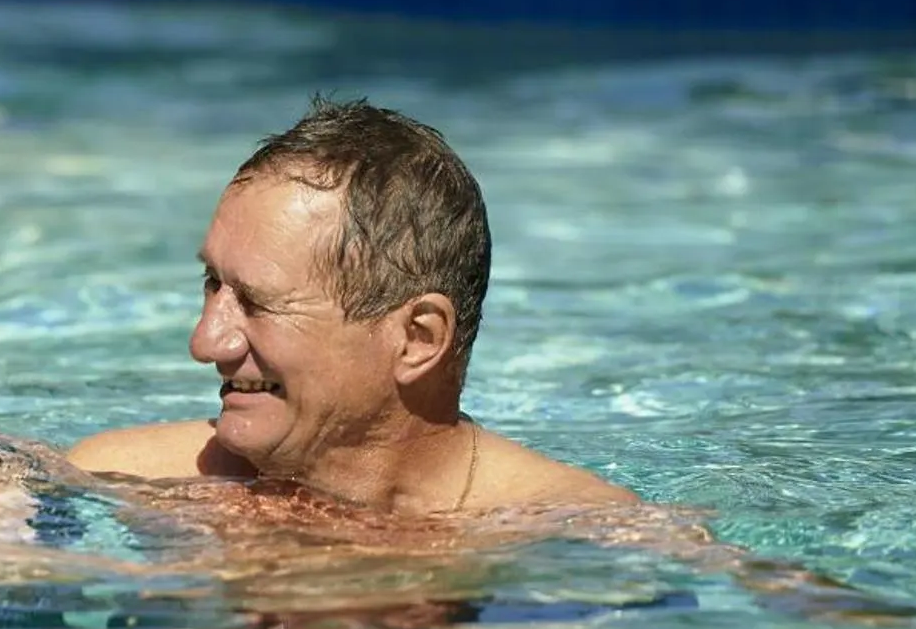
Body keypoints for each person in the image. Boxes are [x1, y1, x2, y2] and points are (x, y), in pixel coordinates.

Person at [70, 97, 637, 516]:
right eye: (212, 283)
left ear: (417, 338)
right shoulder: (117, 483)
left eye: (259, 303)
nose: (206, 342)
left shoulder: (575, 539)